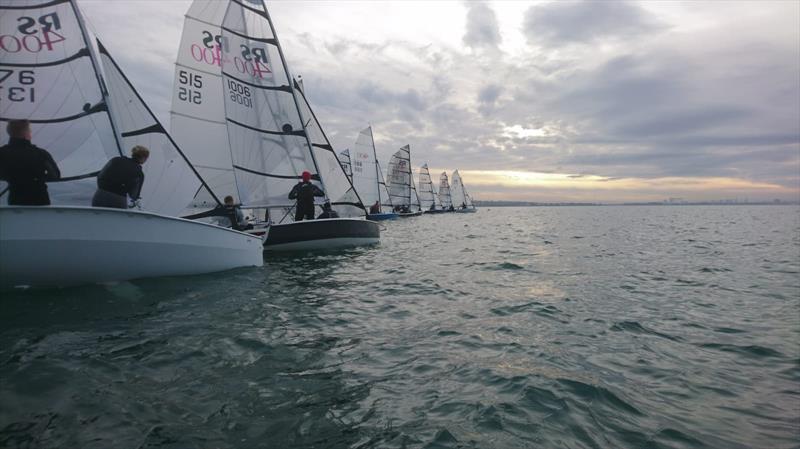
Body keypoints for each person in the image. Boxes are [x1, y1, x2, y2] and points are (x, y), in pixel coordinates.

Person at [0, 120, 60, 205]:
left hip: (15, 201)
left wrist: (12, 177)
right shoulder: (40, 153)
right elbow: (55, 175)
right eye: (29, 130)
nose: (30, 132)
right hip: (40, 201)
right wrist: (38, 178)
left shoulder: (2, 153)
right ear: (25, 134)